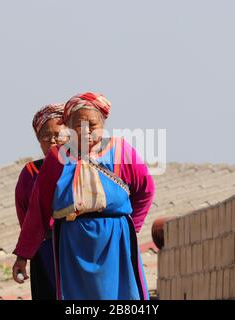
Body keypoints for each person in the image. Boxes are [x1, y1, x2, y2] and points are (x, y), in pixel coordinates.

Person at [13, 92, 155, 300]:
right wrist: (23, 255)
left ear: (103, 124)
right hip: (73, 241)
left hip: (115, 238)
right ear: (68, 127)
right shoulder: (57, 158)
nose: (86, 131)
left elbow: (145, 190)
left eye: (93, 125)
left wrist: (132, 228)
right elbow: (38, 208)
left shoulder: (121, 151)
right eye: (79, 126)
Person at [14, 103, 68, 300]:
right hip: (45, 251)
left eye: (59, 135)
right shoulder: (30, 173)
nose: (53, 141)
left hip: (77, 245)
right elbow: (26, 217)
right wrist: (24, 253)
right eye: (46, 137)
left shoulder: (81, 168)